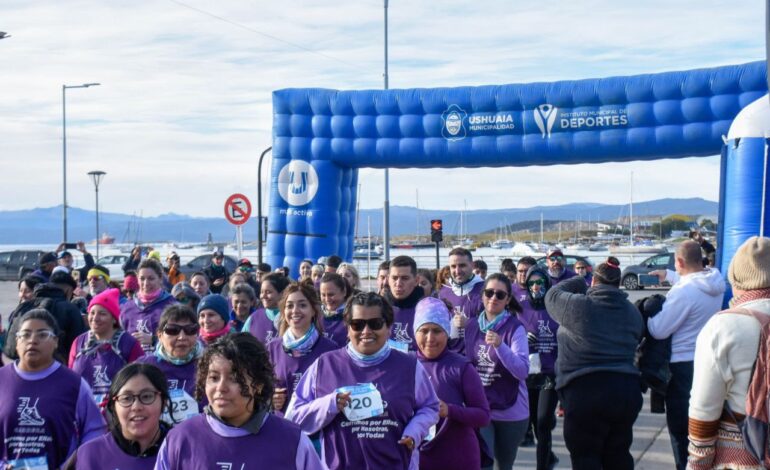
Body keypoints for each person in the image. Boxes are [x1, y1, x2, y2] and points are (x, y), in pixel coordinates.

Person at [286, 292, 440, 470]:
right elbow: (293, 418)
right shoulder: (324, 365)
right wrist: (329, 404)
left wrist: (415, 432)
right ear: (348, 328)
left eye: (375, 324)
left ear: (388, 327)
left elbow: (430, 407)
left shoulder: (410, 366)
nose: (366, 331)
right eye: (357, 324)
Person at [156, 333, 325, 469]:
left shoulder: (291, 440)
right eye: (214, 377)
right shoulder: (181, 439)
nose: (220, 387)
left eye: (234, 378)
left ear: (258, 384)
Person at [545, 257, 644, 470]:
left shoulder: (579, 305)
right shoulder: (632, 312)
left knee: (585, 459)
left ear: (593, 282)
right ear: (618, 283)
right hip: (626, 391)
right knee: (618, 455)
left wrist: (578, 280)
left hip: (585, 391)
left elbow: (551, 295)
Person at [687, 236, 770, 468]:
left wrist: (697, 464)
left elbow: (704, 408)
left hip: (744, 459)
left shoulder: (723, 327)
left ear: (737, 281)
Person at [647, 240, 725, 470]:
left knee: (681, 431)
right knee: (705, 426)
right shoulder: (715, 280)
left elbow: (658, 330)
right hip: (709, 361)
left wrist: (650, 312)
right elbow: (693, 281)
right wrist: (670, 275)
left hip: (681, 368)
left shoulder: (684, 292)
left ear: (680, 261)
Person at [0, 310, 105, 468]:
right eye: (26, 335)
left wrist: (74, 462)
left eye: (42, 335)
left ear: (55, 341)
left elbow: (95, 431)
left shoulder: (73, 384)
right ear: (16, 342)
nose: (32, 340)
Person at [413, 297, 490, 470]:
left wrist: (449, 410)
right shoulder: (406, 365)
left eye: (437, 330)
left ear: (447, 332)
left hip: (458, 457)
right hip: (418, 458)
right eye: (424, 330)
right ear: (414, 332)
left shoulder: (462, 367)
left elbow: (483, 416)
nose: (430, 338)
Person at [465, 273, 529, 470]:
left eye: (500, 295)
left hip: (511, 410)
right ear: (482, 295)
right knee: (484, 463)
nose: (493, 298)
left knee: (504, 465)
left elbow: (522, 370)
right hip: (482, 407)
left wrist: (501, 346)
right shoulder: (472, 325)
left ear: (508, 299)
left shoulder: (514, 328)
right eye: (489, 292)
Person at [64, 363, 171, 470]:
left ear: (164, 401)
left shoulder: (182, 447)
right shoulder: (89, 455)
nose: (136, 407)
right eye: (126, 398)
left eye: (147, 396)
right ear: (113, 406)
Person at [267, 283, 337, 416]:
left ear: (314, 310)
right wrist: (270, 398)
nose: (295, 311)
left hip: (317, 431)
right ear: (283, 311)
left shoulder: (330, 350)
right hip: (282, 428)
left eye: (302, 305)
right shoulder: (272, 348)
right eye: (290, 306)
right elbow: (259, 389)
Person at [69, 288, 144, 409]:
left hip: (118, 411)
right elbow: (71, 379)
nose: (95, 318)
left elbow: (140, 379)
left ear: (114, 319)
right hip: (83, 410)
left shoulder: (128, 343)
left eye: (102, 314)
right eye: (92, 313)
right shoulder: (79, 342)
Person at [520, 266, 559, 470]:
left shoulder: (556, 307)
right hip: (528, 375)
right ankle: (548, 456)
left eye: (540, 282)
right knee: (535, 422)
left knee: (543, 422)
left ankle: (542, 466)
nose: (536, 287)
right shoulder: (520, 307)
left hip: (550, 375)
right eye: (532, 283)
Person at [137, 304, 203, 424]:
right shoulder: (143, 367)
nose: (182, 337)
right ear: (160, 335)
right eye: (173, 330)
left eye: (190, 330)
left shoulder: (209, 365)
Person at [4, 271, 88, 360]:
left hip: (22, 365)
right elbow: (78, 346)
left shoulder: (23, 306)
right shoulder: (70, 309)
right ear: (69, 291)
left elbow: (10, 346)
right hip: (54, 367)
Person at [120, 259, 178, 354]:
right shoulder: (127, 308)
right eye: (142, 279)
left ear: (160, 278)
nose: (146, 283)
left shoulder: (172, 306)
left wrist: (153, 340)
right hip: (133, 365)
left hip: (161, 364)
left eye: (151, 278)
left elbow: (180, 340)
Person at [439, 248, 485, 346]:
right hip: (450, 355)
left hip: (478, 355)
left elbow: (497, 325)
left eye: (462, 265)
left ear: (472, 265)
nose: (457, 271)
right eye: (453, 266)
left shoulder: (486, 290)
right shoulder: (443, 292)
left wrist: (469, 324)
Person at [383, 256, 425, 352]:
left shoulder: (427, 309)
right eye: (394, 278)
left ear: (416, 280)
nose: (398, 283)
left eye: (405, 278)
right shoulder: (378, 309)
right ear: (388, 279)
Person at [243, 273, 290, 344]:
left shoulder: (290, 318)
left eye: (268, 292)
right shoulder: (254, 318)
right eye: (261, 292)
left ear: (282, 293)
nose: (263, 296)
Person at [319, 272, 351, 347]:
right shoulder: (315, 315)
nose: (327, 299)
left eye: (331, 294)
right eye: (323, 295)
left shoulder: (352, 316)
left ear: (344, 292)